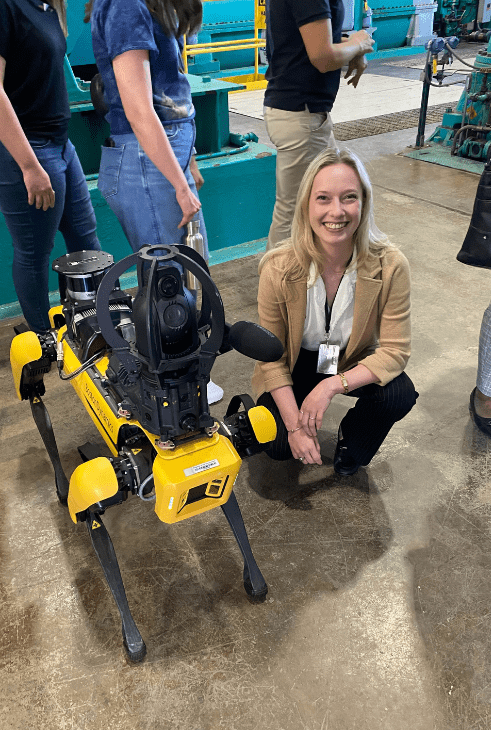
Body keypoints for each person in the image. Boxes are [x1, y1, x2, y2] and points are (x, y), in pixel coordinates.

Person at [86, 0, 223, 402]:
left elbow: (168, 90)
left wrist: (188, 158)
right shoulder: (127, 5)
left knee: (184, 275)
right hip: (148, 163)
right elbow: (139, 107)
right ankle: (172, 390)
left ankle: (179, 377)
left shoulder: (146, 5)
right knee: (168, 285)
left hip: (161, 157)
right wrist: (178, 183)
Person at [252, 148, 418, 474]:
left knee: (398, 394)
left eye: (349, 197)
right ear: (306, 205)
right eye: (323, 198)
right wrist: (295, 428)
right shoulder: (277, 267)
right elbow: (270, 357)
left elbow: (396, 351)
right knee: (279, 446)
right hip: (294, 362)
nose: (337, 211)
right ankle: (291, 420)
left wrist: (331, 385)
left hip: (347, 360)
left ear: (364, 203)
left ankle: (351, 437)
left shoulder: (391, 265)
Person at [0, 0, 101, 337]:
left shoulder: (46, 6)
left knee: (85, 239)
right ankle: (44, 338)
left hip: (58, 141)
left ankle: (91, 323)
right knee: (35, 251)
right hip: (19, 148)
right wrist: (29, 166)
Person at [264, 0, 375, 251]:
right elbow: (322, 57)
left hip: (306, 114)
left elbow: (307, 40)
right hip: (301, 115)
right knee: (292, 212)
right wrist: (359, 44)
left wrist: (352, 46)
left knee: (327, 195)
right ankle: (275, 287)